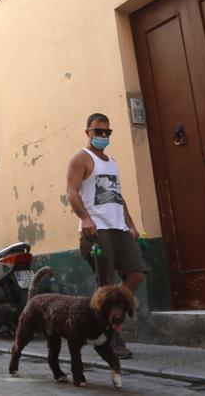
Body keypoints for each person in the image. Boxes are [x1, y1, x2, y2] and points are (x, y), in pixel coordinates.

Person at [66, 112, 147, 359]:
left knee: (136, 273)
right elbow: (72, 191)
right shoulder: (81, 158)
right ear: (88, 132)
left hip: (119, 228)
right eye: (97, 131)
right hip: (97, 231)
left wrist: (131, 225)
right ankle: (110, 336)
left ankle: (104, 321)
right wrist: (85, 218)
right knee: (105, 286)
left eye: (106, 132)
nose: (102, 136)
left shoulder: (111, 162)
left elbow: (117, 196)